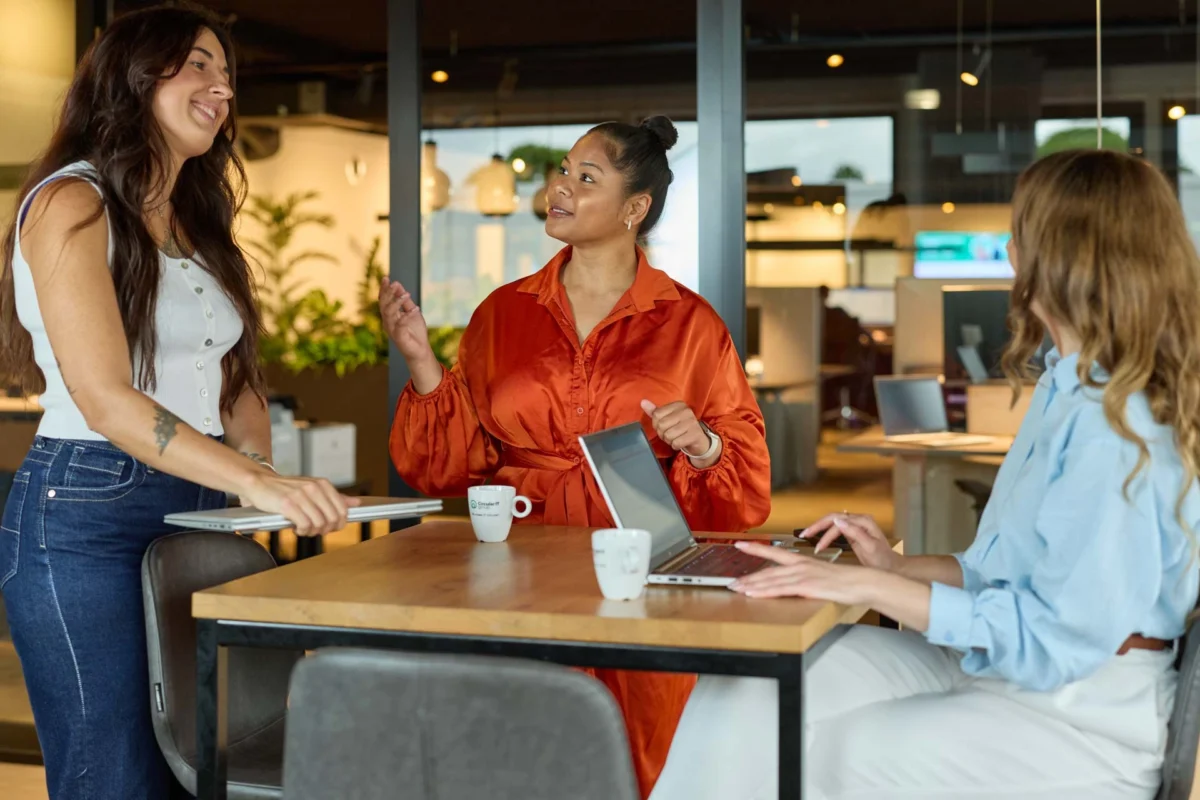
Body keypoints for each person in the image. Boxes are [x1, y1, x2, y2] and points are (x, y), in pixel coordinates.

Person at [650, 149, 1200, 799]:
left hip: (1078, 710)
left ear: (1056, 255)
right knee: (750, 687)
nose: (1007, 245)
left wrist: (866, 590)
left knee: (839, 753)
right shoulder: (1065, 384)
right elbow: (1002, 573)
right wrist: (892, 566)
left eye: (1018, 228)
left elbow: (1052, 639)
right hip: (1003, 668)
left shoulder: (1118, 426)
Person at [0, 6, 357, 798]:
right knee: (116, 778)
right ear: (134, 76)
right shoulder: (72, 204)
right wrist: (256, 482)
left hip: (197, 503)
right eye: (197, 64)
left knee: (206, 767)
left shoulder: (197, 219)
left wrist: (257, 475)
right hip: (86, 509)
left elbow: (236, 381)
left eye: (224, 71)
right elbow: (103, 398)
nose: (221, 85)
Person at [384, 116, 772, 796]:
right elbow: (449, 464)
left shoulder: (692, 324)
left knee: (643, 750)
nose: (558, 187)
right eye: (562, 171)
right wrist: (420, 360)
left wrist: (703, 444)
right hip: (517, 565)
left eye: (584, 178)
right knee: (518, 743)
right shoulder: (502, 313)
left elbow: (745, 484)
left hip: (640, 568)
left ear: (634, 208)